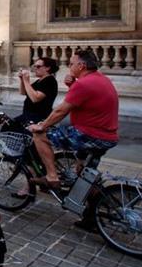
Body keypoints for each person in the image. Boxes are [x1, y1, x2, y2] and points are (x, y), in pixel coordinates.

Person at [27, 49, 118, 194]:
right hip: (107, 136)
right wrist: (72, 85)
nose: (69, 67)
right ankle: (94, 206)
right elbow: (85, 100)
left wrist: (41, 126)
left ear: (81, 66)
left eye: (71, 64)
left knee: (40, 136)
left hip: (89, 135)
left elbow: (61, 111)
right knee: (84, 173)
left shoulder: (83, 84)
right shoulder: (101, 79)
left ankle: (51, 177)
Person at [16, 57, 59, 125]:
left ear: (47, 68)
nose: (35, 69)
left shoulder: (50, 81)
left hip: (38, 117)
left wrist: (26, 81)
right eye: (34, 66)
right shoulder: (39, 81)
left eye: (38, 66)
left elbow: (35, 98)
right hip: (28, 115)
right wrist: (22, 80)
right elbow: (23, 92)